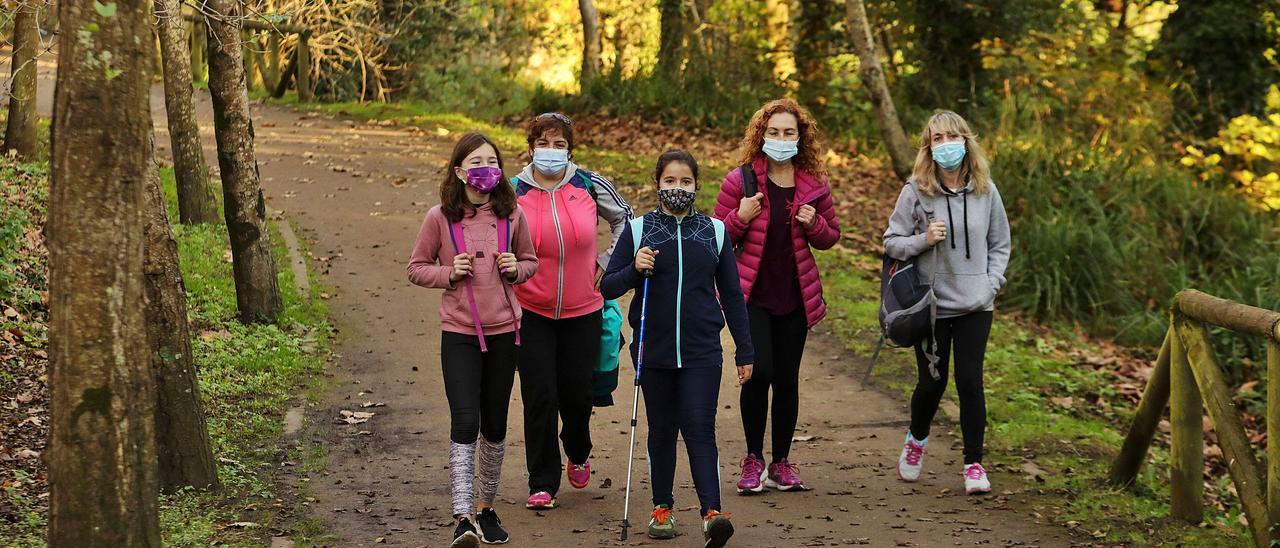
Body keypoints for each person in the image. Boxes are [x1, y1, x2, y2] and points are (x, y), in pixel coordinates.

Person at [602, 149, 753, 548]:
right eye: (670, 181)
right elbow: (608, 286)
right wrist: (635, 268)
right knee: (663, 430)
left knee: (700, 428)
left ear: (697, 186)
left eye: (685, 182)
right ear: (657, 185)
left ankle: (712, 513)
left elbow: (733, 296)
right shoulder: (639, 230)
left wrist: (745, 350)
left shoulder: (715, 231)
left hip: (702, 351)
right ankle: (662, 509)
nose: (677, 189)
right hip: (653, 349)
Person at [407, 132, 539, 546]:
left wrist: (516, 268)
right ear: (460, 170)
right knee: (466, 420)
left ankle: (486, 507)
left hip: (506, 334)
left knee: (495, 425)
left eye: (492, 160)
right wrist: (449, 273)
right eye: (477, 161)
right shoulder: (439, 218)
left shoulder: (512, 215)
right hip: (460, 335)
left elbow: (532, 261)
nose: (486, 168)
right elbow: (416, 267)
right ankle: (463, 516)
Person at [713, 99, 840, 494]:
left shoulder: (814, 185)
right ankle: (753, 460)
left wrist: (814, 222)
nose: (781, 139)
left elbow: (831, 236)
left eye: (789, 133)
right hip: (751, 296)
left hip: (796, 297)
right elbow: (715, 237)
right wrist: (740, 217)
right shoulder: (741, 181)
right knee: (759, 372)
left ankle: (781, 462)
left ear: (800, 138)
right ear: (761, 135)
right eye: (774, 132)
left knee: (786, 379)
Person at [882, 110, 1011, 496]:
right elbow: (891, 242)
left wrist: (991, 284)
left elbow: (999, 243)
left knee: (971, 382)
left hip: (976, 305)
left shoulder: (986, 190)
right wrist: (923, 241)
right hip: (933, 306)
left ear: (966, 141)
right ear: (928, 147)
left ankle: (974, 464)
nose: (945, 145)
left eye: (951, 137)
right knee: (931, 384)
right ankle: (916, 438)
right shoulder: (916, 191)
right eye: (937, 139)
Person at [511, 112, 633, 509]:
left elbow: (627, 223)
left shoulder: (589, 183)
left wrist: (607, 263)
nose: (551, 151)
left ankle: (578, 450)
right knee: (539, 395)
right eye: (543, 143)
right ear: (531, 149)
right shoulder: (513, 191)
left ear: (570, 150)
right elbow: (492, 232)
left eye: (559, 144)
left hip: (584, 308)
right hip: (531, 309)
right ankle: (542, 481)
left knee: (578, 396)